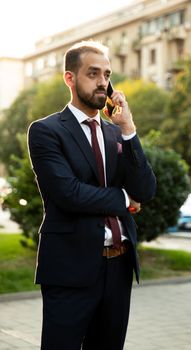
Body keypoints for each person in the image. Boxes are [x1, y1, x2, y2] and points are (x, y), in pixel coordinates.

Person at [28, 40, 156, 350]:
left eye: (107, 75)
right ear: (70, 78)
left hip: (119, 267)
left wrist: (129, 130)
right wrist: (124, 201)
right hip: (70, 268)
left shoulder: (116, 133)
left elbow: (145, 190)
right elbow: (69, 193)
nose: (102, 82)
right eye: (93, 73)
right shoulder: (46, 131)